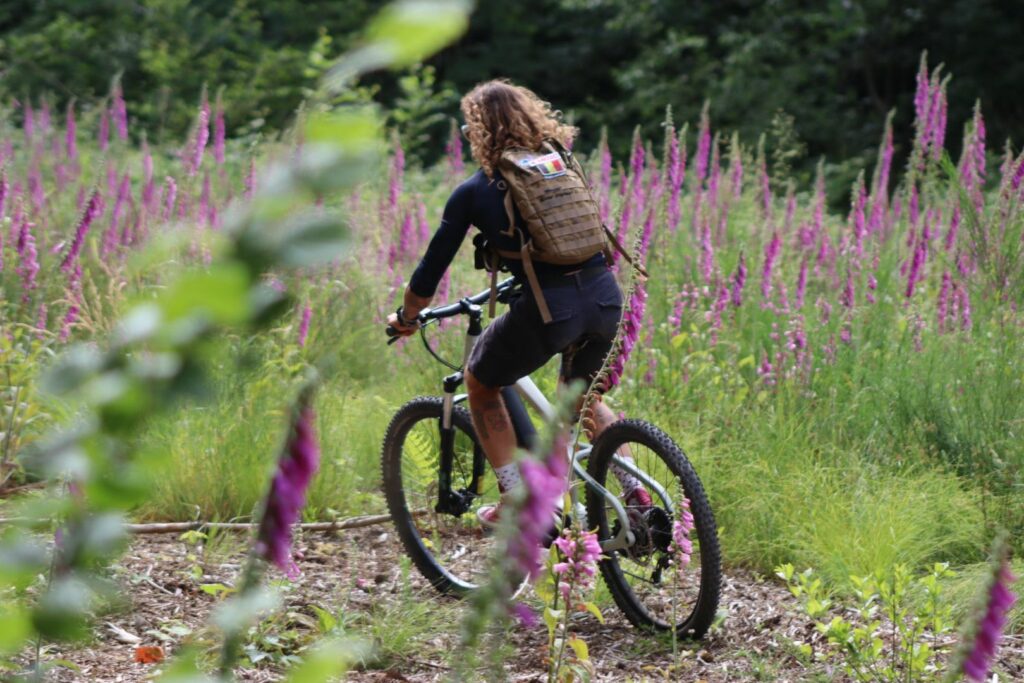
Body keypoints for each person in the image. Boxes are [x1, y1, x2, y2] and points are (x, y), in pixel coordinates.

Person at [387, 79, 651, 525]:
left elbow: (429, 272)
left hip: (554, 309)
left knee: (481, 383)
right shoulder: (559, 165)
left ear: (480, 130)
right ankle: (637, 493)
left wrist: (408, 317)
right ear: (531, 117)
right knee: (582, 397)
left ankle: (517, 497)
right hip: (607, 297)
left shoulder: (475, 190)